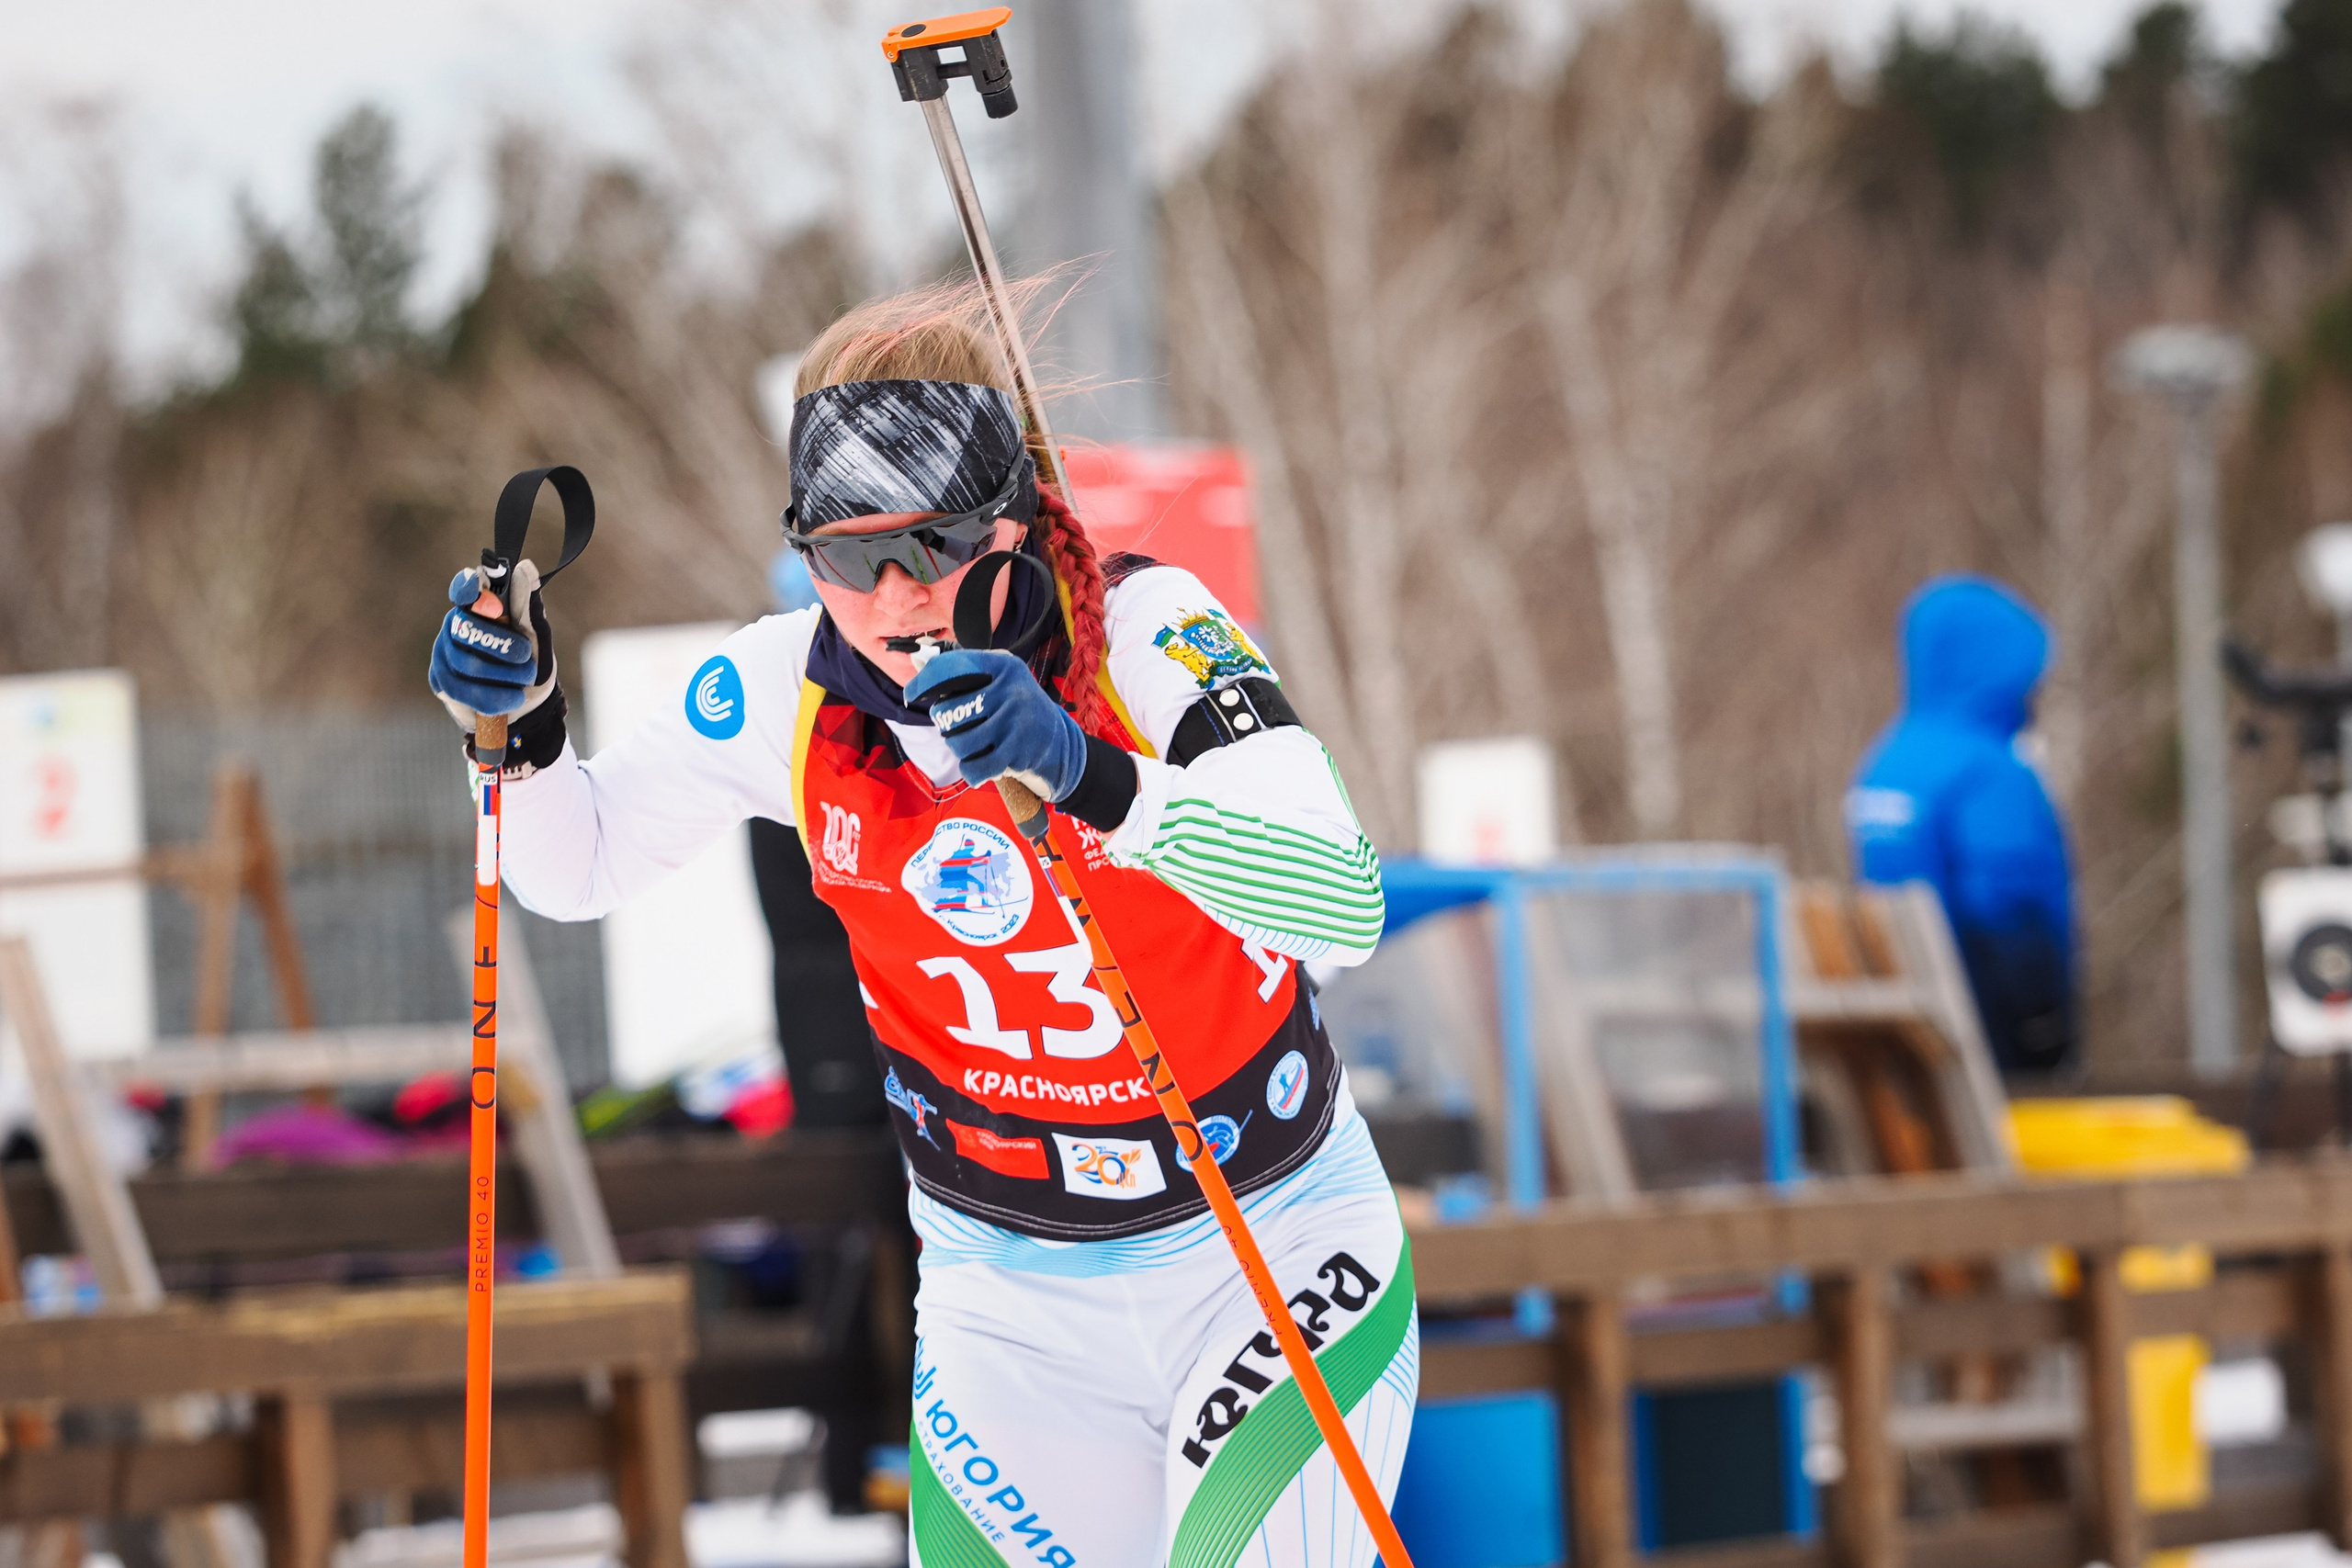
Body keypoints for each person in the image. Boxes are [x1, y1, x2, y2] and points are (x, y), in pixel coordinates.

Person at [428, 283, 1417, 1564]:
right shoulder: (785, 688)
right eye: (847, 553)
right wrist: (519, 728)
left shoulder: (1144, 633)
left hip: (1267, 1243)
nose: (894, 594)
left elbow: (1342, 900)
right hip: (1005, 1293)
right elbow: (577, 861)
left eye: (935, 546)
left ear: (1013, 523)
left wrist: (1088, 769)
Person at [1846, 575, 2078, 1076]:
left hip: (1908, 1025)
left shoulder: (1887, 762)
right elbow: (2008, 902)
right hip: (1987, 1028)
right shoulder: (1987, 771)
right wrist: (2042, 1024)